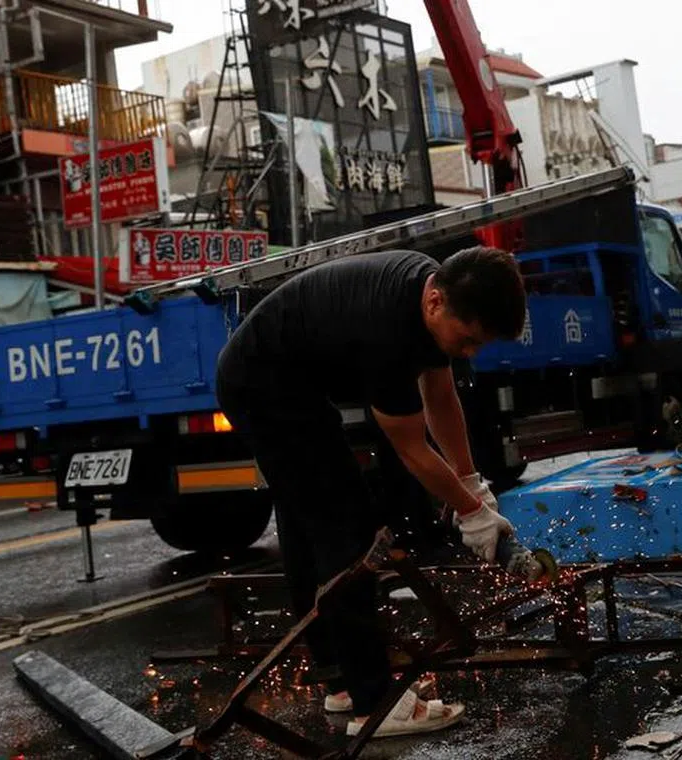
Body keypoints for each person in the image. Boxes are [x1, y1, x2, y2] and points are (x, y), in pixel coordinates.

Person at [215, 247, 527, 738]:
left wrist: (471, 484)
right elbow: (412, 449)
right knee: (347, 529)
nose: (469, 353)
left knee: (307, 523)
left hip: (286, 384)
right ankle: (375, 702)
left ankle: (339, 681)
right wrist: (472, 515)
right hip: (262, 387)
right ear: (435, 303)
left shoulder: (432, 293)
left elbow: (442, 400)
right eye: (467, 341)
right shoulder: (391, 333)